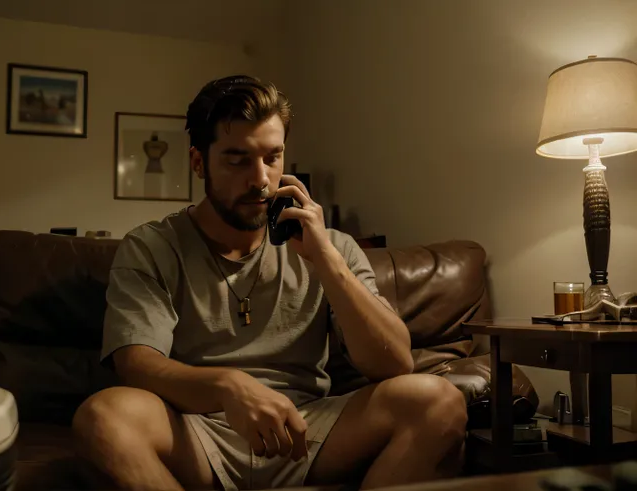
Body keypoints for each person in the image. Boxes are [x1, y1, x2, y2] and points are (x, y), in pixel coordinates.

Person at [72, 75, 468, 491]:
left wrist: (326, 261)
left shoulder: (331, 247)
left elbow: (394, 365)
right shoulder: (151, 246)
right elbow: (137, 365)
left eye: (272, 157)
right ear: (198, 163)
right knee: (103, 417)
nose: (261, 179)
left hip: (309, 430)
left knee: (437, 400)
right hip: (196, 431)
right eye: (237, 159)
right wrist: (228, 387)